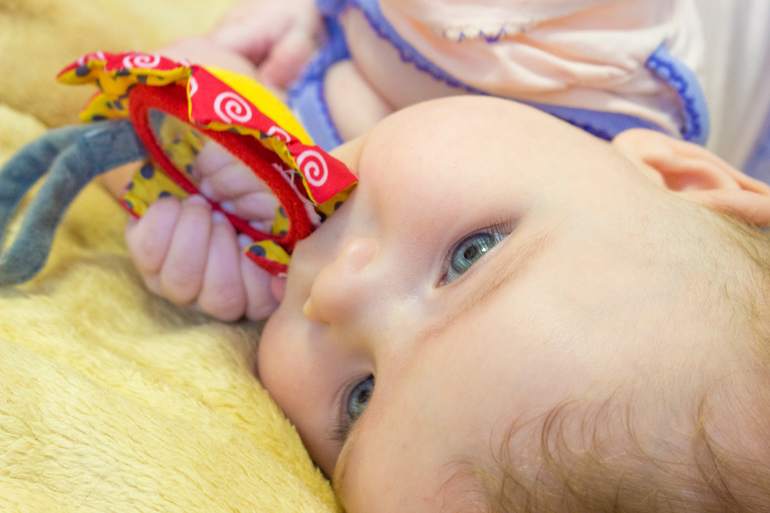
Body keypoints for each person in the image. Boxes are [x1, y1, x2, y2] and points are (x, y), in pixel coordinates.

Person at [129, 95, 770, 511]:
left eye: (360, 398)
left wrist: (181, 156)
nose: (331, 294)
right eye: (471, 254)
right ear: (679, 176)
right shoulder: (558, 42)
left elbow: (117, 110)